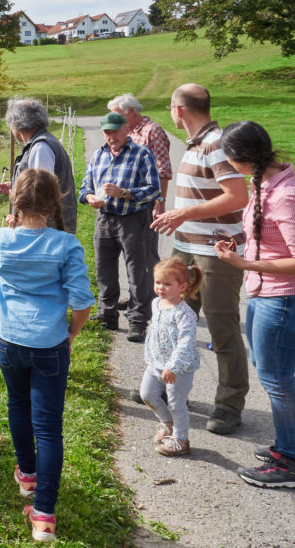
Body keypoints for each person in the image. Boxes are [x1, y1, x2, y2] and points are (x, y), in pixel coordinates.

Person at [0, 169, 94, 542]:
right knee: (48, 427)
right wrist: (72, 333)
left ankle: (27, 476)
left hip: (9, 338)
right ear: (55, 200)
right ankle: (44, 514)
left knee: (17, 404)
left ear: (15, 202)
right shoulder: (66, 245)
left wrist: (9, 232)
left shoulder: (2, 237)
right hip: (49, 343)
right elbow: (81, 301)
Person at [151, 84, 249, 435]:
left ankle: (229, 405)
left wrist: (184, 212)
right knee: (176, 323)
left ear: (179, 110)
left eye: (169, 106)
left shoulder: (217, 144)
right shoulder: (196, 144)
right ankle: (170, 388)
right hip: (186, 249)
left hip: (216, 254)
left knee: (223, 330)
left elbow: (238, 196)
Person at [213, 120, 295, 487]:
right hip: (263, 290)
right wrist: (239, 240)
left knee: (277, 380)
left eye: (228, 158)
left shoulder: (284, 194)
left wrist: (244, 263)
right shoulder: (263, 181)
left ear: (240, 158)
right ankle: (286, 445)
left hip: (281, 297)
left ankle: (290, 459)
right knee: (270, 370)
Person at [79, 112, 160, 342]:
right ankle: (107, 314)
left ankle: (137, 321)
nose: (111, 136)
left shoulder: (142, 154)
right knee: (104, 269)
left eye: (115, 131)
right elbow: (84, 187)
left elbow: (154, 189)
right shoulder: (99, 155)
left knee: (137, 272)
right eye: (107, 132)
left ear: (126, 129)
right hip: (104, 219)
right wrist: (89, 198)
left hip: (133, 219)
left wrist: (124, 194)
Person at [140, 257, 203, 457]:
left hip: (178, 369)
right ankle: (167, 423)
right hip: (156, 362)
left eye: (167, 284)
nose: (161, 288)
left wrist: (173, 366)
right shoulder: (156, 303)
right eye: (158, 282)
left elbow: (186, 342)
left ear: (182, 286)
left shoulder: (185, 314)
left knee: (177, 403)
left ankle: (181, 439)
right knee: (147, 394)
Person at [0, 97, 77, 233]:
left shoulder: (40, 147)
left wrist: (20, 219)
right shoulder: (42, 142)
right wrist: (16, 185)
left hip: (46, 230)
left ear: (16, 123)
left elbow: (41, 191)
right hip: (49, 227)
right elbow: (37, 182)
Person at [108, 94, 172, 220]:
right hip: (124, 204)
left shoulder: (152, 130)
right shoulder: (126, 131)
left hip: (145, 203)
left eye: (117, 115)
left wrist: (160, 201)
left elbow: (162, 169)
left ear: (131, 111)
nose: (114, 120)